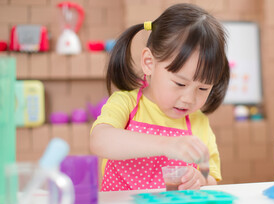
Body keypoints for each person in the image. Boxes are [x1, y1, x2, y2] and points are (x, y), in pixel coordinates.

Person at [90, 3, 230, 192]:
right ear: (149, 63)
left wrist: (201, 180)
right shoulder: (127, 104)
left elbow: (210, 175)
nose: (189, 98)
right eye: (180, 84)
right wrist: (165, 145)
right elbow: (100, 141)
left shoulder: (199, 122)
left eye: (203, 88)